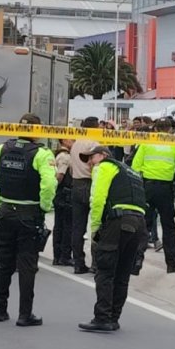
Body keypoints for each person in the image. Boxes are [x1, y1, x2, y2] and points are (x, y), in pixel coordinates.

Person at [0, 113, 57, 327]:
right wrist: (44, 207)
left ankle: (0, 310)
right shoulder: (42, 154)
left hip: (6, 212)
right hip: (29, 213)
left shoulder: (2, 149)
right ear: (37, 131)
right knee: (27, 264)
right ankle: (25, 315)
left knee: (4, 262)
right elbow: (49, 185)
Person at [78, 145, 148, 332]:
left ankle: (102, 318)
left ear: (103, 155)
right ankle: (113, 318)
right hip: (139, 224)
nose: (90, 164)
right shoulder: (130, 171)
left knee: (105, 271)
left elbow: (98, 199)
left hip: (118, 221)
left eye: (91, 158)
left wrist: (95, 230)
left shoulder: (105, 167)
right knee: (122, 273)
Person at [131, 119, 175, 273]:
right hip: (166, 189)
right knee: (168, 227)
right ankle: (171, 264)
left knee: (142, 226)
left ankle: (136, 262)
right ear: (169, 129)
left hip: (147, 187)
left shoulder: (146, 142)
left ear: (154, 129)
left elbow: (135, 166)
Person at [69, 117, 102, 274]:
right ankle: (96, 263)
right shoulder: (94, 144)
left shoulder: (76, 143)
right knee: (96, 225)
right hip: (91, 184)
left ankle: (78, 262)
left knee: (77, 227)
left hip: (76, 184)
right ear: (95, 127)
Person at [52, 138, 75, 266]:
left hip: (61, 194)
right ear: (65, 141)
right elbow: (60, 176)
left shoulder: (59, 155)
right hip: (65, 194)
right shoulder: (65, 157)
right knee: (66, 226)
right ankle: (64, 256)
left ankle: (58, 255)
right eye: (72, 140)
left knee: (60, 225)